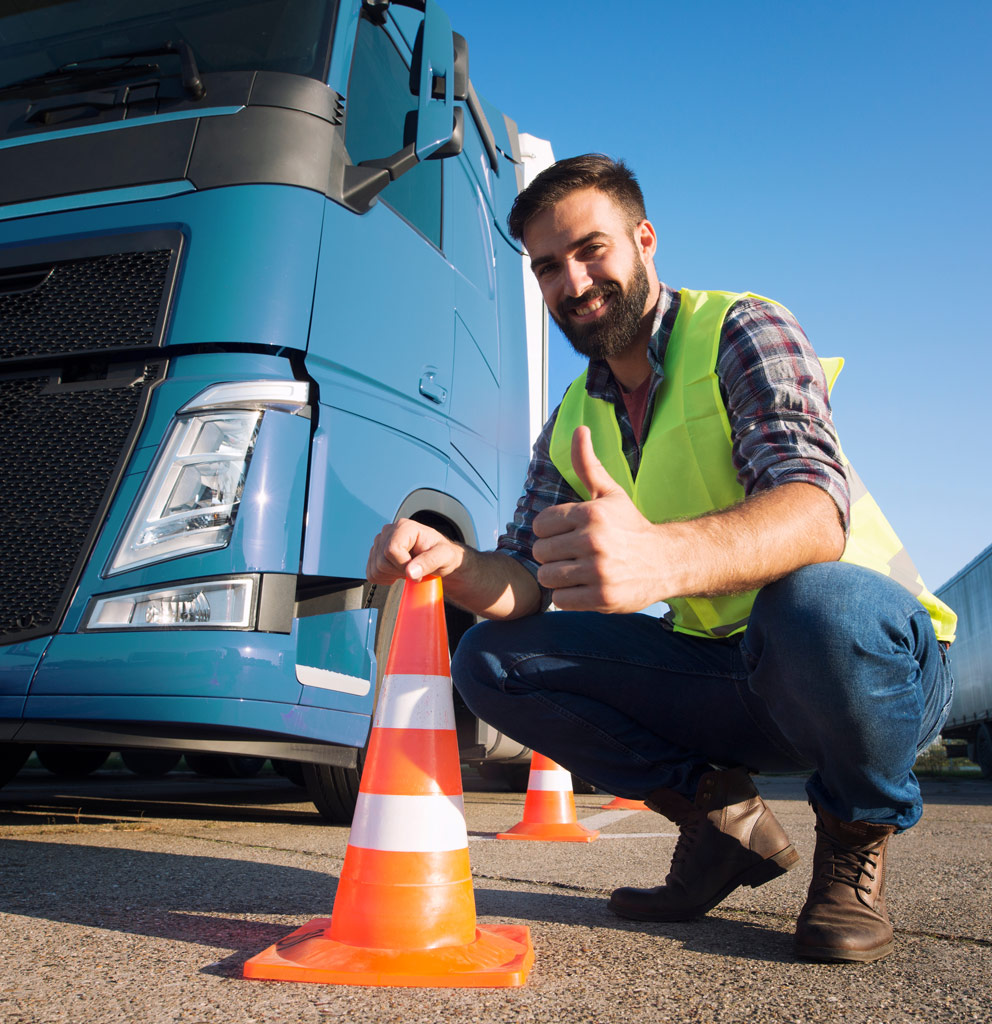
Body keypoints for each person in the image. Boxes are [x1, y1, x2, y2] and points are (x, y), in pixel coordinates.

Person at [364, 153, 956, 963]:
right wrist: (453, 562)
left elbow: (816, 509)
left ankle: (855, 835)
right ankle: (720, 827)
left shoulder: (743, 328)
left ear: (644, 240)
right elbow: (524, 579)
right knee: (491, 659)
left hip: (866, 669)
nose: (572, 283)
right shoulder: (575, 413)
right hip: (732, 675)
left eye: (591, 250)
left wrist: (662, 562)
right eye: (547, 268)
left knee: (818, 604)